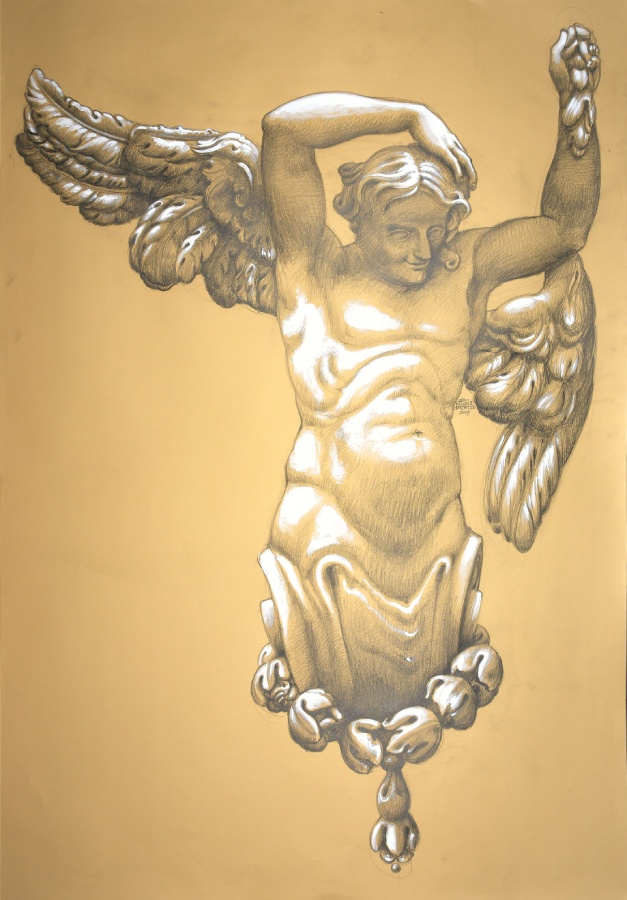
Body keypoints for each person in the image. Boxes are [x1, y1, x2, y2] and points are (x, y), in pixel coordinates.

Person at [256, 27, 600, 720]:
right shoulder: (314, 270)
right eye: (401, 232)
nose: (422, 249)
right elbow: (284, 134)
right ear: (361, 221)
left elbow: (563, 229)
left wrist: (577, 118)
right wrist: (407, 116)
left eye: (434, 231)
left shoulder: (461, 268)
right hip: (328, 527)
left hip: (436, 539)